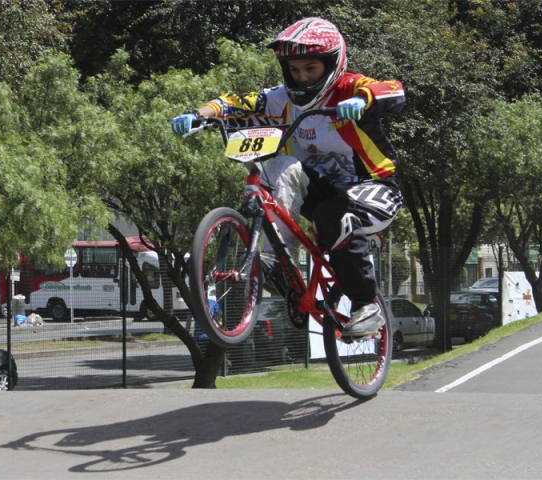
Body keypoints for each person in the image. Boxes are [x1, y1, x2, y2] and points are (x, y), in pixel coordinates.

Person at [171, 17, 405, 338]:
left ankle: (367, 305)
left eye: (311, 69)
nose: (302, 77)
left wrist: (361, 101)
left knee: (334, 215)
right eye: (294, 70)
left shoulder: (348, 87)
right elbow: (238, 102)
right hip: (321, 195)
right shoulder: (283, 99)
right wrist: (199, 115)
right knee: (279, 166)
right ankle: (275, 258)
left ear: (332, 64)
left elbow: (392, 88)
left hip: (375, 190)